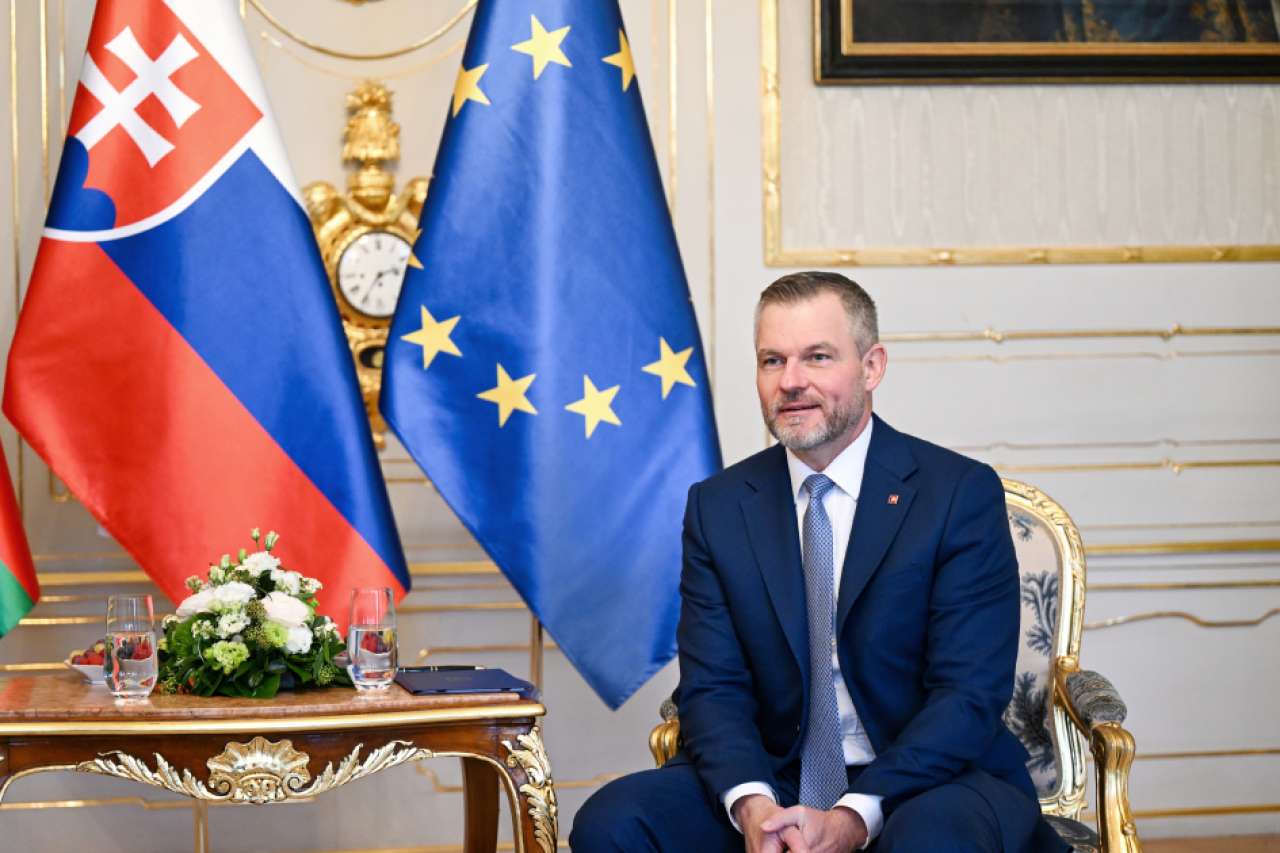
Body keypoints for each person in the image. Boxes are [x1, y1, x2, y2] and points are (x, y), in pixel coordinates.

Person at [571, 272, 1066, 852]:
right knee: (613, 822)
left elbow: (967, 695)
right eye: (772, 361)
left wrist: (854, 814)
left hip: (930, 780)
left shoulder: (956, 494)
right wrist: (753, 806)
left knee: (930, 841)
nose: (791, 381)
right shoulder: (719, 507)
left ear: (872, 367)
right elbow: (712, 687)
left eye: (817, 357)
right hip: (775, 776)